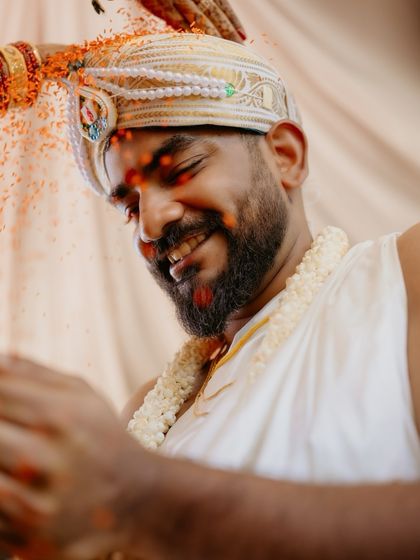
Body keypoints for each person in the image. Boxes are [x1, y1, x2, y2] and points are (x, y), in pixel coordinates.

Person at [0, 26, 419, 560]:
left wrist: (144, 498)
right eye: (128, 205)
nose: (150, 225)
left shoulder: (402, 276)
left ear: (285, 155)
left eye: (179, 169)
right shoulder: (147, 415)